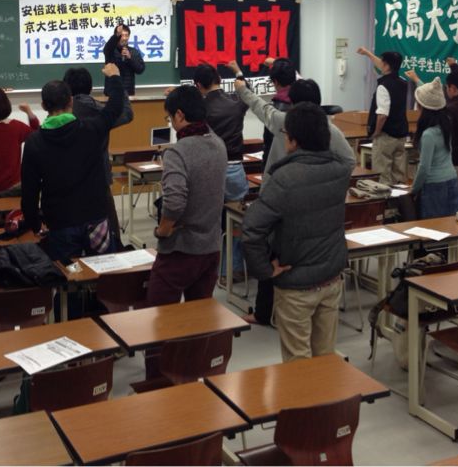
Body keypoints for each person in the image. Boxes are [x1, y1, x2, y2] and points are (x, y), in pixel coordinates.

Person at [230, 62, 356, 325]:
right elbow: (349, 161)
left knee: (275, 252)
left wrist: (241, 88)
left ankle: (265, 312)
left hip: (280, 197)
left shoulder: (285, 122)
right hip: (319, 208)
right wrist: (328, 182)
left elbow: (259, 106)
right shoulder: (330, 130)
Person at [242, 103, 354, 361]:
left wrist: (265, 271)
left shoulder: (285, 178)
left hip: (295, 283)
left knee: (297, 363)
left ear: (293, 140)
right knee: (325, 357)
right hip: (331, 276)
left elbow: (251, 229)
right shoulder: (341, 170)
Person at [21, 64, 124, 262]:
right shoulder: (91, 129)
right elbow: (115, 107)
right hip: (95, 216)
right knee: (103, 269)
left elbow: (29, 189)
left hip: (60, 221)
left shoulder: (34, 142)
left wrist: (34, 223)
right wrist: (115, 77)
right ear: (71, 101)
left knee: (67, 274)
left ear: (43, 106)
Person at [147, 85, 228, 306]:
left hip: (181, 249)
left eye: (170, 117)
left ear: (180, 115)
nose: (171, 123)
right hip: (211, 248)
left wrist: (163, 230)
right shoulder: (218, 143)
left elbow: (174, 203)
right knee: (198, 316)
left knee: (159, 315)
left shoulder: (177, 151)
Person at [63, 66, 133, 248]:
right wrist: (118, 81)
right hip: (100, 177)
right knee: (109, 228)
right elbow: (127, 114)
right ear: (90, 87)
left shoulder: (63, 111)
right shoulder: (101, 111)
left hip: (69, 179)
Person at [193, 62, 249, 282]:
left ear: (199, 85)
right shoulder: (236, 101)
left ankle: (207, 269)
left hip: (209, 169)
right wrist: (238, 71)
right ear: (219, 79)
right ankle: (232, 270)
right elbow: (247, 92)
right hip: (235, 167)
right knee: (236, 222)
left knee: (208, 221)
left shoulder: (200, 108)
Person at [406, 58, 458, 213]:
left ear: (453, 88)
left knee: (450, 210)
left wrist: (417, 81)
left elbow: (431, 103)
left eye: (447, 88)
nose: (446, 91)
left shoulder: (452, 109)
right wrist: (454, 65)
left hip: (455, 163)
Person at [358, 47, 410, 185]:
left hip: (385, 135)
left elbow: (382, 115)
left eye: (382, 62)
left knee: (382, 176)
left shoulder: (383, 86)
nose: (380, 64)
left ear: (386, 66)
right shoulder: (403, 82)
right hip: (400, 135)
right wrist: (368, 54)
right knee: (399, 176)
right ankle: (400, 198)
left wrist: (376, 132)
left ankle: (385, 199)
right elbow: (384, 65)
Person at [410, 78, 458, 219]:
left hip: (435, 186)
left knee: (433, 227)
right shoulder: (446, 125)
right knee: (450, 225)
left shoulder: (428, 134)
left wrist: (414, 189)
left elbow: (424, 167)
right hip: (452, 180)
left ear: (422, 108)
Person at [103, 24, 144, 96]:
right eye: (122, 35)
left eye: (126, 35)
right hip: (112, 92)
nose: (124, 38)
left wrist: (130, 58)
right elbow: (107, 48)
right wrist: (116, 35)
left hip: (128, 92)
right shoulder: (111, 51)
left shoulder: (133, 51)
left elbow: (140, 69)